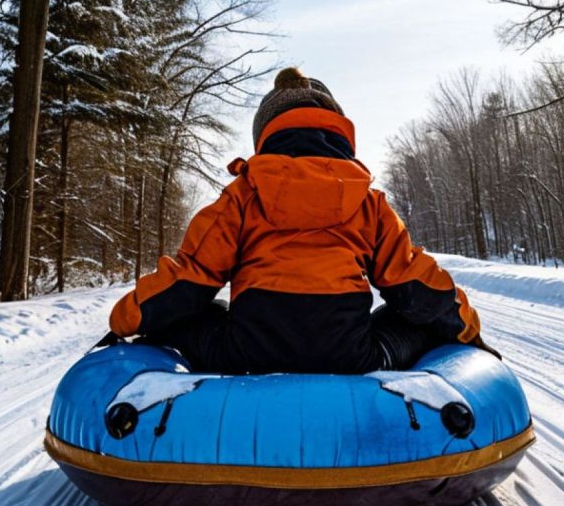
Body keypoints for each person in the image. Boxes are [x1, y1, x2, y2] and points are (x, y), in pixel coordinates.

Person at [104, 67, 489, 374]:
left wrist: (125, 319)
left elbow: (189, 280)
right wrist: (467, 330)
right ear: (338, 129)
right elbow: (416, 284)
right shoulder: (368, 202)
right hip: (351, 357)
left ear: (265, 134)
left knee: (199, 313)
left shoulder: (243, 194)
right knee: (412, 317)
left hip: (247, 355)